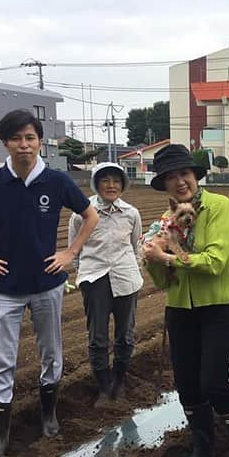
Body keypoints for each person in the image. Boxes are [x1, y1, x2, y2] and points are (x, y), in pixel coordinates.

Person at [0, 109, 99, 457]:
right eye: (16, 138)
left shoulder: (57, 181)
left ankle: (48, 415)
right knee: (1, 360)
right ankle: (1, 436)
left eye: (30, 138)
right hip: (5, 287)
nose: (24, 145)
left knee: (51, 351)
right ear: (5, 143)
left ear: (40, 142)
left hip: (48, 284)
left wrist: (71, 252)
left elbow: (89, 214)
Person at [140, 143, 229, 457]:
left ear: (195, 176)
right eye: (170, 178)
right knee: (187, 384)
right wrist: (153, 257)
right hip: (180, 309)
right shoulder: (167, 221)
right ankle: (202, 450)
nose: (180, 182)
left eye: (184, 173)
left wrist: (168, 258)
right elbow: (165, 282)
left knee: (213, 381)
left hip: (218, 307)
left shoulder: (219, 207)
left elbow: (214, 262)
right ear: (164, 185)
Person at [68, 162, 143, 407]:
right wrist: (83, 275)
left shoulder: (131, 213)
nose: (111, 185)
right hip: (95, 278)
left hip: (126, 278)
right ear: (96, 184)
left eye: (116, 181)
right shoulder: (81, 213)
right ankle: (103, 386)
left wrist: (135, 271)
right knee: (97, 337)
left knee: (125, 336)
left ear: (123, 185)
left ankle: (119, 382)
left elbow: (135, 247)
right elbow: (75, 249)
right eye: (105, 181)